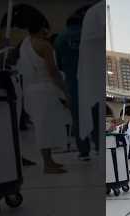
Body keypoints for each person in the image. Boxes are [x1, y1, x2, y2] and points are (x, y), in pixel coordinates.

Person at [18, 15, 71, 174]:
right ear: (43, 29)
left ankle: (50, 161)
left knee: (42, 126)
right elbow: (53, 72)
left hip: (31, 90)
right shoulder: (44, 46)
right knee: (45, 127)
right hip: (45, 90)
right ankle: (48, 164)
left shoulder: (25, 44)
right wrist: (65, 91)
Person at [55, 11, 91, 160]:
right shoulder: (87, 34)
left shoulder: (60, 38)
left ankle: (84, 151)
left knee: (77, 117)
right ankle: (99, 148)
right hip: (89, 79)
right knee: (94, 114)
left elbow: (58, 63)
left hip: (72, 81)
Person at [78, 0, 105, 156]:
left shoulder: (92, 12)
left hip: (91, 74)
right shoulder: (99, 10)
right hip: (96, 72)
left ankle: (91, 149)